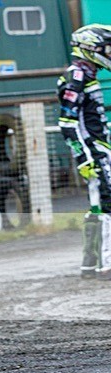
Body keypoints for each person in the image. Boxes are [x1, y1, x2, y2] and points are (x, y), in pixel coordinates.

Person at [58, 24, 111, 279]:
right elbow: (67, 122)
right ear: (90, 49)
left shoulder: (87, 76)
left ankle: (90, 264)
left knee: (98, 205)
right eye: (106, 49)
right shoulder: (76, 76)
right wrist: (83, 158)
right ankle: (106, 264)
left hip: (100, 148)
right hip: (94, 152)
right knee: (107, 203)